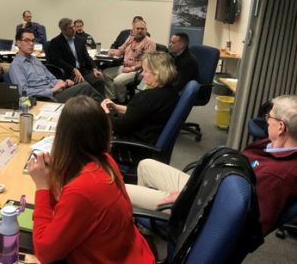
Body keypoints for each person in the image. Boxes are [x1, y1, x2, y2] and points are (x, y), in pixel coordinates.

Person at [127, 94, 297, 236]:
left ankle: (156, 223)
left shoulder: (279, 175)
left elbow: (240, 222)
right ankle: (149, 226)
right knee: (146, 165)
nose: (266, 121)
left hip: (201, 209)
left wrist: (188, 199)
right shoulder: (271, 145)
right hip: (208, 187)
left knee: (122, 190)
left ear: (281, 127)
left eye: (269, 117)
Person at [28, 96, 154, 263]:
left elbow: (44, 253)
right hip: (132, 253)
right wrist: (55, 174)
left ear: (62, 137)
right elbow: (65, 203)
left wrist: (42, 187)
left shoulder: (82, 190)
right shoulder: (105, 160)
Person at [101, 52, 178, 143]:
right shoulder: (171, 92)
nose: (142, 74)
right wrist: (116, 107)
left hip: (133, 145)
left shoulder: (148, 97)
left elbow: (120, 127)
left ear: (156, 73)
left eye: (145, 71)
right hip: (150, 137)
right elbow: (140, 111)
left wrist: (106, 113)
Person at [9, 28, 103, 103]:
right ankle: (111, 116)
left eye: (33, 40)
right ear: (18, 43)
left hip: (55, 92)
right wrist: (52, 90)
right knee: (85, 88)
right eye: (27, 40)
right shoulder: (16, 65)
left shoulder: (35, 60)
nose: (31, 43)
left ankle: (105, 116)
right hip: (44, 99)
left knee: (90, 89)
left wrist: (63, 83)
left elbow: (52, 78)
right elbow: (23, 92)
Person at [47, 18, 105, 96]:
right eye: (70, 28)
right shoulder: (56, 42)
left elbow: (86, 56)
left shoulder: (80, 40)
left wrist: (94, 68)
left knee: (99, 79)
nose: (74, 29)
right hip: (68, 74)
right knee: (84, 85)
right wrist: (73, 69)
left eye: (74, 26)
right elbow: (57, 60)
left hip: (83, 71)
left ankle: (100, 104)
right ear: (63, 30)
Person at [103, 19, 156, 103]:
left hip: (138, 70)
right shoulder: (130, 39)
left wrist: (131, 69)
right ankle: (112, 99)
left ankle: (122, 101)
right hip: (124, 67)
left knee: (118, 81)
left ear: (146, 30)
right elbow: (121, 51)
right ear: (133, 30)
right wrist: (112, 52)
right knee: (106, 73)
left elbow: (146, 62)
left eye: (142, 29)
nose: (140, 31)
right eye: (137, 28)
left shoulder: (150, 43)